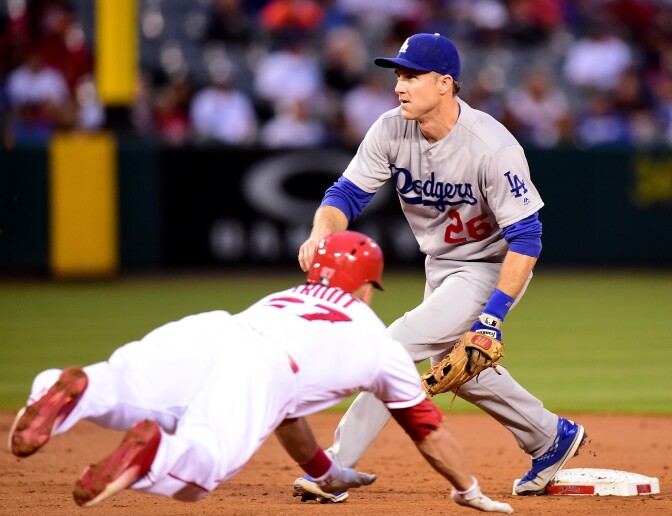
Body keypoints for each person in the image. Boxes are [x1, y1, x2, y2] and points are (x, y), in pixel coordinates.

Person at [9, 231, 512, 513]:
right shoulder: (378, 343)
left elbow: (286, 415)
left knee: (113, 389)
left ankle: (62, 390)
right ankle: (159, 450)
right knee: (196, 472)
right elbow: (431, 432)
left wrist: (323, 471)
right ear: (366, 288)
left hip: (212, 330)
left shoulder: (284, 296)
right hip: (264, 368)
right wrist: (467, 489)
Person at [294, 33, 587, 501]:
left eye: (412, 76)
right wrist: (319, 233)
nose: (399, 86)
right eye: (398, 76)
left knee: (392, 347)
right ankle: (550, 436)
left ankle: (335, 467)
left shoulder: (492, 146)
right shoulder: (391, 128)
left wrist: (492, 318)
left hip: (492, 264)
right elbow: (345, 195)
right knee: (458, 368)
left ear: (445, 84)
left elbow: (527, 238)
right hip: (442, 265)